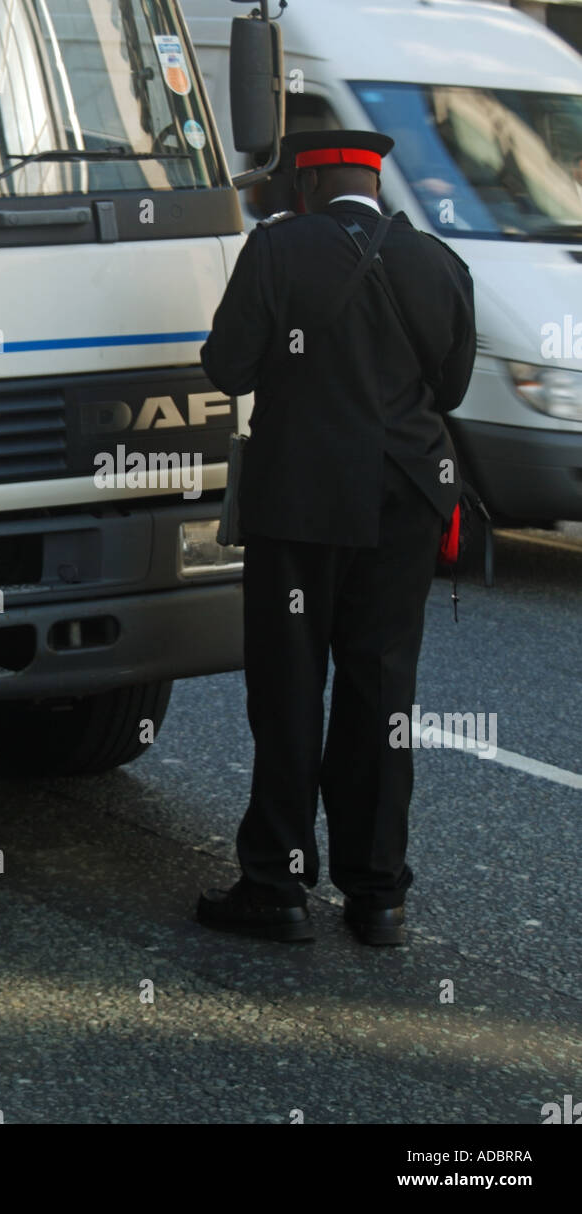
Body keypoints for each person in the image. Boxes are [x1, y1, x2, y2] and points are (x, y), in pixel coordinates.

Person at [197, 129, 476, 946]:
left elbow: (227, 368)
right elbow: (451, 387)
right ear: (371, 179)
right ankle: (377, 894)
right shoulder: (435, 261)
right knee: (382, 693)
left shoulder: (278, 250)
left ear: (305, 184)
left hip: (301, 502)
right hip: (405, 502)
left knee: (289, 687)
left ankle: (275, 887)